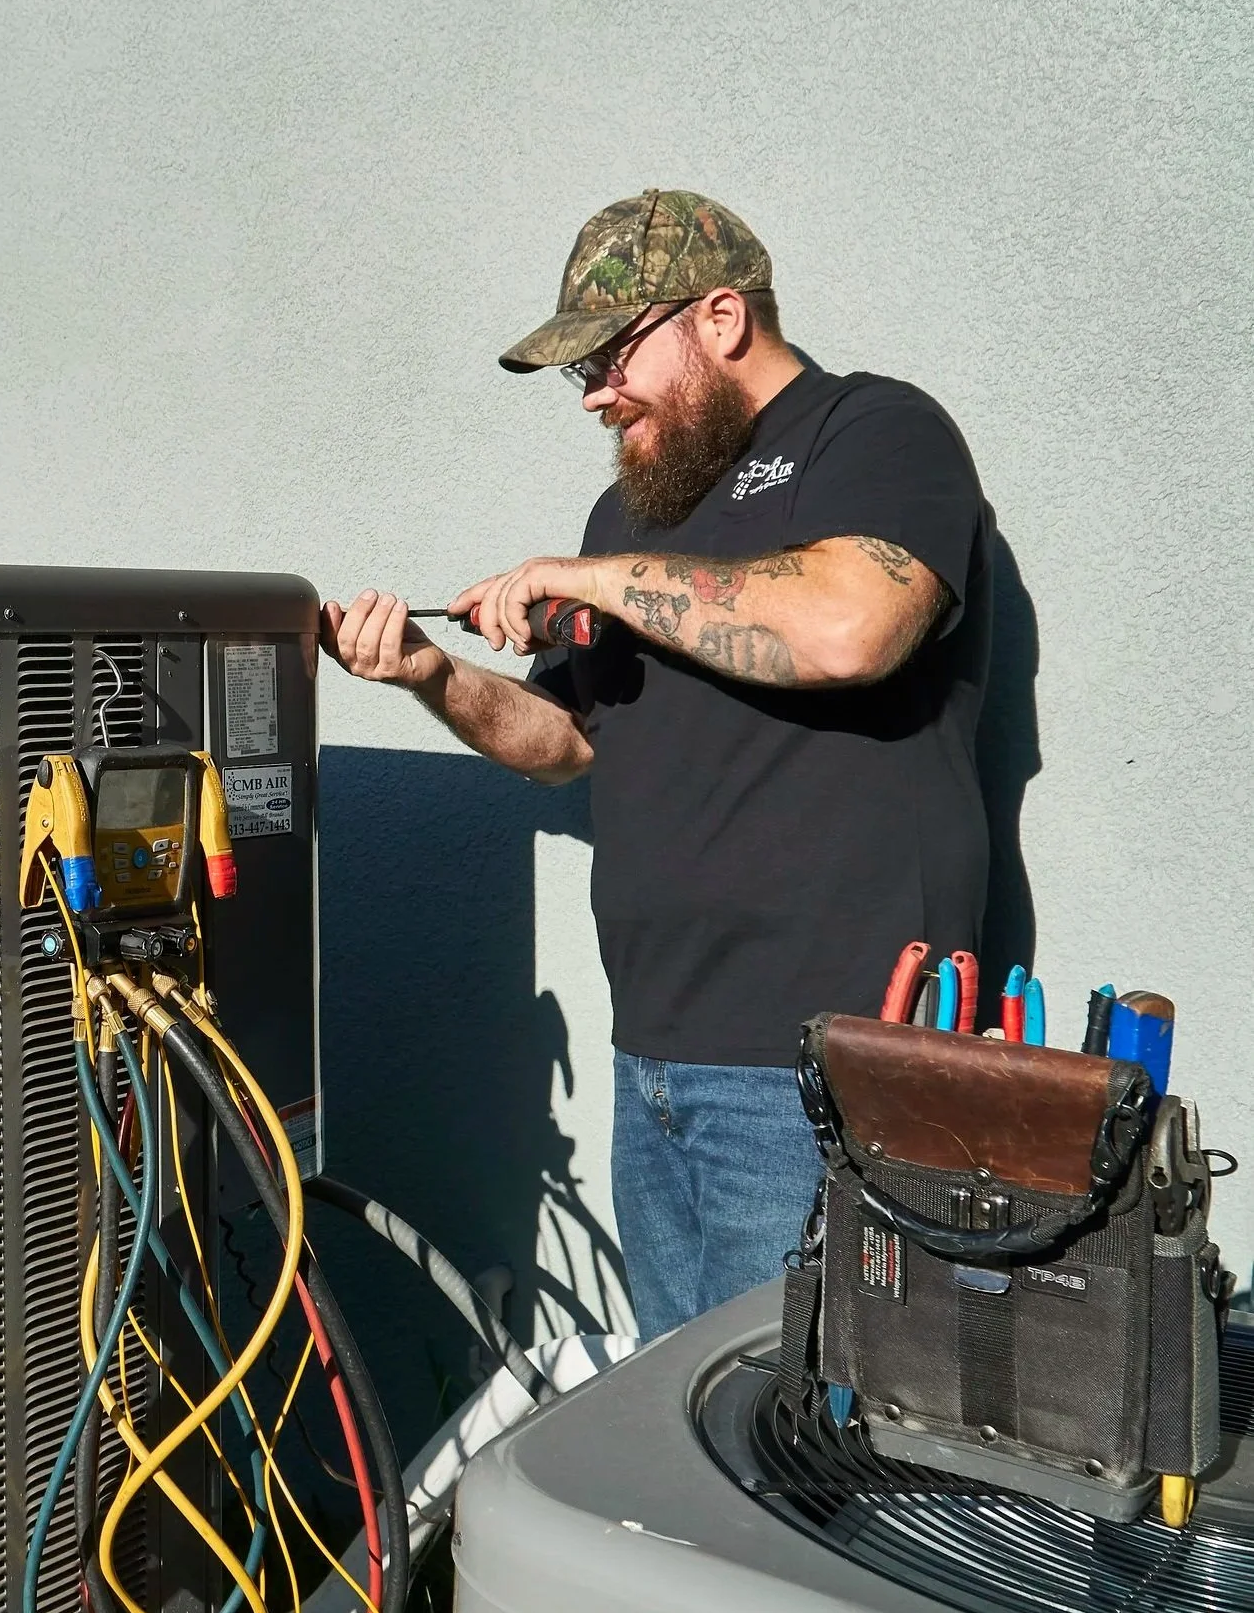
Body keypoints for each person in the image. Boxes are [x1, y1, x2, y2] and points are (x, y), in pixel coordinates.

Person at [321, 188, 994, 1338]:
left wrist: (583, 580)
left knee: (795, 1451)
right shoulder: (631, 510)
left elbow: (851, 627)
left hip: (824, 1067)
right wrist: (429, 675)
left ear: (722, 317)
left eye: (612, 356)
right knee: (678, 1432)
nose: (591, 395)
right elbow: (564, 744)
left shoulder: (874, 432)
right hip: (657, 1061)